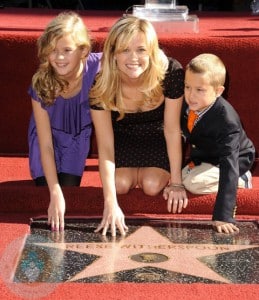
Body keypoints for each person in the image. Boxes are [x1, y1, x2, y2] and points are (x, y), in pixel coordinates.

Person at [90, 16, 188, 236]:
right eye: (125, 50)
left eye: (141, 50)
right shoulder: (101, 83)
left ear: (152, 51)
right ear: (113, 53)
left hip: (159, 135)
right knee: (119, 185)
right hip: (122, 137)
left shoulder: (170, 73)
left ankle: (145, 175)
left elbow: (172, 129)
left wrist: (177, 183)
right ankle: (132, 175)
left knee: (152, 186)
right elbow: (105, 145)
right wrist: (110, 204)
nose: (133, 58)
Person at [28, 12, 101, 231]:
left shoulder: (98, 66)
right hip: (46, 140)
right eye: (53, 51)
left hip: (77, 139)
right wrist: (54, 191)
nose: (59, 58)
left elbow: (128, 52)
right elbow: (46, 144)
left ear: (84, 51)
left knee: (69, 192)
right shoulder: (41, 83)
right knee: (48, 192)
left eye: (67, 50)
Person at [180, 53, 255, 234]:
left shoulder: (226, 120)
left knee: (192, 183)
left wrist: (223, 214)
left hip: (234, 159)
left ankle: (242, 179)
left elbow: (229, 162)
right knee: (179, 177)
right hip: (205, 157)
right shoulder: (187, 103)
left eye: (200, 90)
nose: (191, 95)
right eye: (187, 87)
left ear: (218, 91)